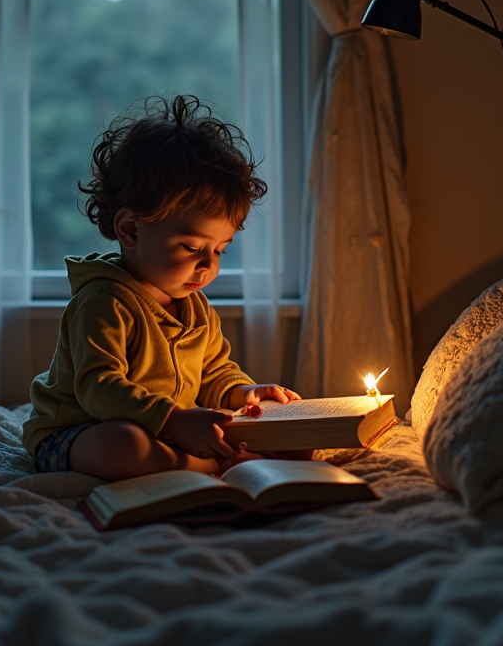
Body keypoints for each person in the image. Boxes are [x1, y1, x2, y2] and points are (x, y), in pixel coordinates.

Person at [22, 94, 301, 480]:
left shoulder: (195, 307)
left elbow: (214, 372)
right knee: (122, 445)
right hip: (77, 431)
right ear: (131, 229)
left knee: (291, 435)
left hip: (170, 429)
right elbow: (99, 387)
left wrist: (244, 393)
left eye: (219, 250)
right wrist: (174, 420)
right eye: (191, 247)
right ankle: (209, 466)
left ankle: (208, 455)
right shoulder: (103, 301)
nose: (208, 265)